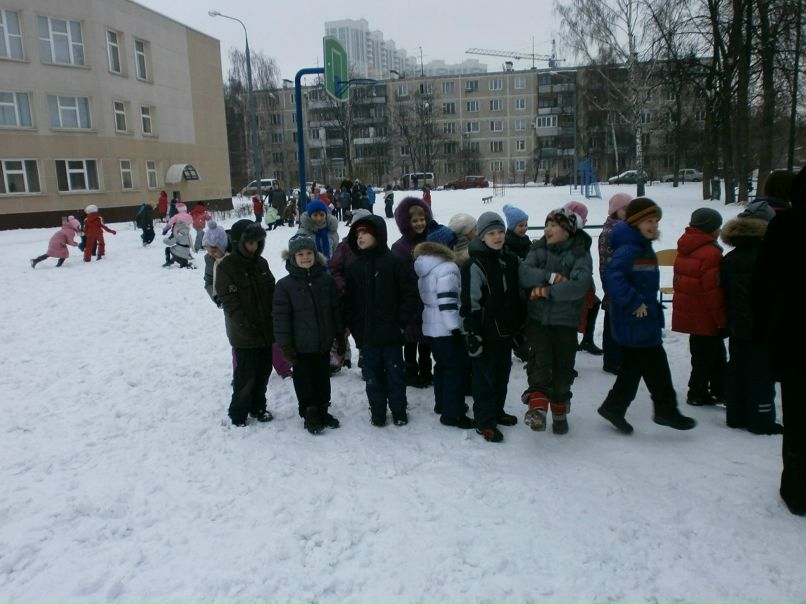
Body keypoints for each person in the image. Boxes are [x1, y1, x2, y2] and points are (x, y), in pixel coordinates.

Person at [597, 197, 697, 434]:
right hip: (635, 319)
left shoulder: (641, 245)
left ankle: (615, 406)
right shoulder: (630, 248)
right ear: (635, 222)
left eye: (655, 221)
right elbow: (613, 277)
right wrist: (634, 301)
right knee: (656, 365)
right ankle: (665, 410)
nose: (653, 225)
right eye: (648, 221)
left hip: (643, 319)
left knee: (633, 367)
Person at [752, 165, 806, 516]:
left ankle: (797, 490)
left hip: (794, 337)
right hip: (792, 334)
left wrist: (761, 332)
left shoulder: (785, 226)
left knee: (799, 418)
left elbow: (764, 284)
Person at [518, 208, 592, 435]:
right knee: (539, 364)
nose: (547, 229)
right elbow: (524, 272)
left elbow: (579, 285)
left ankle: (560, 412)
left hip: (565, 323)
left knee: (563, 370)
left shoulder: (580, 254)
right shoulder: (539, 249)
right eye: (546, 223)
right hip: (538, 320)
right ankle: (538, 411)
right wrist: (549, 277)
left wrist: (548, 292)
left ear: (568, 230)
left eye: (554, 225)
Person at [344, 214, 419, 427]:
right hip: (367, 337)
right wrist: (356, 329)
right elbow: (350, 303)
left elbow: (409, 294)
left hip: (392, 335)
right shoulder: (354, 268)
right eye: (357, 234)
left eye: (365, 232)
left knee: (395, 375)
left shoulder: (395, 262)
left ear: (378, 234)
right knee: (372, 377)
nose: (360, 237)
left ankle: (399, 410)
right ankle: (377, 411)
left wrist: (402, 323)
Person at [719, 200, 782, 435]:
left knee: (736, 366)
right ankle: (761, 418)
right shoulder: (768, 258)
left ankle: (734, 415)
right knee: (761, 372)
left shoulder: (730, 258)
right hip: (762, 324)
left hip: (736, 322)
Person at [460, 212, 522, 443]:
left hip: (505, 332)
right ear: (482, 237)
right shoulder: (474, 265)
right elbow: (469, 303)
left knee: (502, 376)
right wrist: (472, 334)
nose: (497, 237)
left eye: (501, 232)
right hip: (484, 334)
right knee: (484, 379)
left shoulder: (510, 260)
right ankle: (484, 421)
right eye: (491, 233)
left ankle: (497, 411)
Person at [273, 235, 344, 434]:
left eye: (309, 253)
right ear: (292, 257)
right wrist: (285, 346)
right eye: (300, 254)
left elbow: (335, 309)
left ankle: (322, 407)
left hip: (323, 342)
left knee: (322, 378)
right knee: (304, 379)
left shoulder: (325, 280)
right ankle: (309, 411)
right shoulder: (284, 286)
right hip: (299, 346)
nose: (305, 257)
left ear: (316, 255)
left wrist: (339, 336)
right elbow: (280, 319)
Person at [214, 219, 276, 427]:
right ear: (240, 242)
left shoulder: (261, 263)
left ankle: (258, 406)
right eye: (250, 242)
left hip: (266, 330)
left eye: (258, 242)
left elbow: (272, 291)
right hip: (244, 333)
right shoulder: (226, 267)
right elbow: (230, 303)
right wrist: (246, 324)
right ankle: (238, 412)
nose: (255, 246)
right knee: (246, 375)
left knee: (263, 371)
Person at [414, 240, 474, 429]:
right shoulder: (448, 267)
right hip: (446, 327)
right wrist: (454, 328)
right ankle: (453, 413)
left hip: (432, 327)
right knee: (456, 369)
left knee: (441, 366)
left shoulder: (426, 269)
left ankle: (443, 405)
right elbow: (447, 301)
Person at [672, 208, 727, 406]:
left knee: (703, 354)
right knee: (710, 356)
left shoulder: (687, 246)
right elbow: (714, 291)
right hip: (706, 314)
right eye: (718, 227)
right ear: (711, 228)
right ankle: (698, 392)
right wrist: (721, 319)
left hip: (690, 311)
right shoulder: (710, 253)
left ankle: (710, 390)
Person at [392, 196, 435, 388]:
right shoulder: (400, 247)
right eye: (414, 220)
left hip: (429, 298)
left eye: (422, 219)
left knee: (426, 340)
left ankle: (426, 371)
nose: (419, 224)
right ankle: (410, 371)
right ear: (406, 223)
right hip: (410, 300)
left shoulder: (432, 240)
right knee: (410, 341)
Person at [598, 193, 632, 374]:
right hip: (616, 287)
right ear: (615, 211)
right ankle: (612, 361)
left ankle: (620, 358)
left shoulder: (627, 229)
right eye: (625, 209)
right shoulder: (611, 232)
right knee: (613, 325)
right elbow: (607, 263)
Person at [564, 200, 603, 357]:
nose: (586, 220)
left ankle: (587, 340)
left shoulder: (581, 237)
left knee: (593, 305)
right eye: (584, 217)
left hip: (585, 282)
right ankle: (569, 352)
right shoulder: (569, 238)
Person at [202, 221, 229, 306]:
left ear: (223, 247)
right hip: (227, 304)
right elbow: (209, 282)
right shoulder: (210, 259)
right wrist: (216, 297)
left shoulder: (234, 258)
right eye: (208, 251)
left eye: (213, 251)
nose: (211, 254)